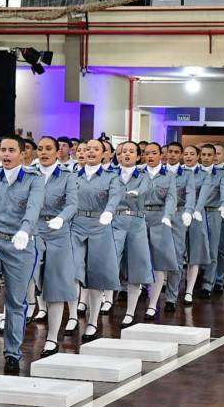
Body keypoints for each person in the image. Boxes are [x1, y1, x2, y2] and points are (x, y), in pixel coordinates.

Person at [0, 134, 44, 372]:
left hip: (21, 245)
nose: (5, 154)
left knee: (15, 300)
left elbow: (33, 209)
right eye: (2, 150)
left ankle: (12, 352)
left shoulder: (34, 180)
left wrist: (25, 230)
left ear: (23, 153)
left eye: (11, 150)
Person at [71, 139, 123, 341]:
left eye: (95, 149)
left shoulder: (111, 177)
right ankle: (73, 315)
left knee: (96, 276)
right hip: (76, 225)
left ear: (104, 154)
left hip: (100, 226)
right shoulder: (73, 176)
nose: (91, 152)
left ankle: (92, 321)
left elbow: (115, 197)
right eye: (87, 149)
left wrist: (109, 212)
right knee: (74, 271)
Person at [32, 136, 78, 356]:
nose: (43, 152)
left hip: (58, 232)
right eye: (40, 149)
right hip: (33, 229)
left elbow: (72, 203)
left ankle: (52, 337)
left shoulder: (67, 176)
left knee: (56, 285)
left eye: (48, 149)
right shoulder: (30, 174)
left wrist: (61, 218)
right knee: (29, 281)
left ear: (58, 151)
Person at [110, 142, 155, 328]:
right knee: (109, 263)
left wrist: (135, 192)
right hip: (114, 221)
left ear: (138, 156)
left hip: (136, 223)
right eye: (122, 152)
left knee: (137, 267)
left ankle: (130, 312)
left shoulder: (144, 175)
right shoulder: (110, 174)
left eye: (130, 151)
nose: (126, 154)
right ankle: (106, 301)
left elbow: (145, 188)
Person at [141, 142, 179, 318]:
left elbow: (171, 198)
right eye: (147, 153)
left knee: (159, 262)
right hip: (139, 218)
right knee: (138, 260)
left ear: (160, 155)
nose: (150, 156)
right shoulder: (138, 174)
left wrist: (168, 215)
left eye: (154, 153)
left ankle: (153, 303)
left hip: (160, 218)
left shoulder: (169, 175)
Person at [163, 142, 199, 312]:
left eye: (176, 152)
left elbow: (191, 194)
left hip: (178, 216)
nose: (172, 155)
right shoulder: (158, 172)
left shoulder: (187, 174)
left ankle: (171, 297)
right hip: (158, 216)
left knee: (176, 256)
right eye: (170, 151)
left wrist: (189, 211)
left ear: (182, 155)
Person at [198, 144, 224, 299]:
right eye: (203, 154)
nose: (206, 158)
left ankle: (208, 283)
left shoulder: (221, 174)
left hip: (213, 212)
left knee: (214, 249)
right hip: (194, 213)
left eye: (209, 155)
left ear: (214, 157)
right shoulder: (192, 172)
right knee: (193, 249)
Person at [180, 145, 212, 305]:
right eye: (186, 153)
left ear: (198, 156)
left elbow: (203, 196)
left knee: (195, 254)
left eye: (192, 154)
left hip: (196, 216)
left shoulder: (205, 175)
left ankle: (189, 290)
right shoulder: (176, 172)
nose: (188, 156)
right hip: (178, 216)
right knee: (175, 253)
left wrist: (194, 211)